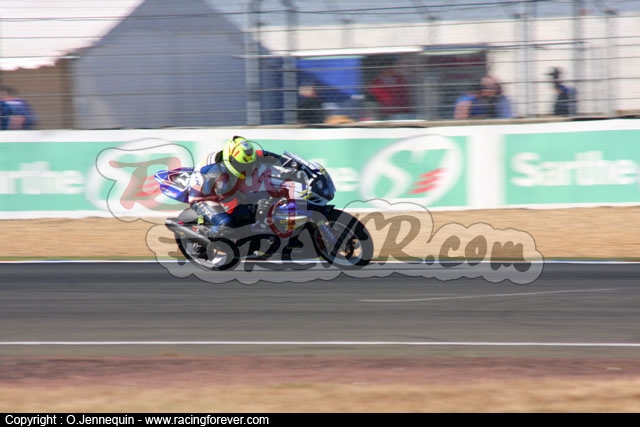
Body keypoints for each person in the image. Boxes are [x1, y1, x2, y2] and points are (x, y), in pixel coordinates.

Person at [188, 136, 297, 238]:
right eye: (242, 165)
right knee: (228, 226)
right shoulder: (221, 180)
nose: (247, 168)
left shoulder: (243, 156)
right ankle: (204, 233)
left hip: (229, 185)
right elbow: (232, 209)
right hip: (203, 197)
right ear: (231, 160)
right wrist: (256, 208)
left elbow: (266, 155)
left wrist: (290, 163)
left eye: (249, 165)